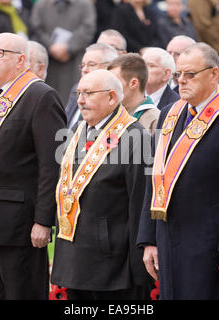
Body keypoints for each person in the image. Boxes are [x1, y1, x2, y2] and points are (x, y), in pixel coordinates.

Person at [137, 43, 219, 299]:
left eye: (190, 74)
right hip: (169, 240)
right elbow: (155, 177)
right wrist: (149, 238)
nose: (181, 81)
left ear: (214, 74)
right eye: (178, 75)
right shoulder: (168, 114)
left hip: (209, 246)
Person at [0, 33, 66, 300]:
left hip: (18, 224)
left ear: (21, 61)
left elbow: (51, 165)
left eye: (1, 53)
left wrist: (43, 220)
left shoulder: (40, 96)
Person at [51, 69, 152, 300]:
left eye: (88, 93)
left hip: (114, 264)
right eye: (79, 93)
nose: (80, 100)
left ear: (111, 98)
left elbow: (139, 204)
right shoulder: (77, 130)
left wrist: (139, 269)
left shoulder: (135, 136)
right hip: (76, 256)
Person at [30, 0, 96, 105]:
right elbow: (36, 29)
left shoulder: (85, 4)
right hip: (49, 63)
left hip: (74, 62)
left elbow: (88, 29)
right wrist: (51, 46)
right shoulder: (41, 4)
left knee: (72, 99)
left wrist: (69, 47)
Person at [65, 43, 118, 129]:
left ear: (109, 68)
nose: (84, 70)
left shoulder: (113, 98)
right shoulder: (76, 89)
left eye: (91, 65)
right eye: (82, 65)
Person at [108, 53, 160, 133]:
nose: (108, 88)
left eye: (115, 83)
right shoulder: (110, 115)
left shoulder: (155, 120)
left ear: (133, 83)